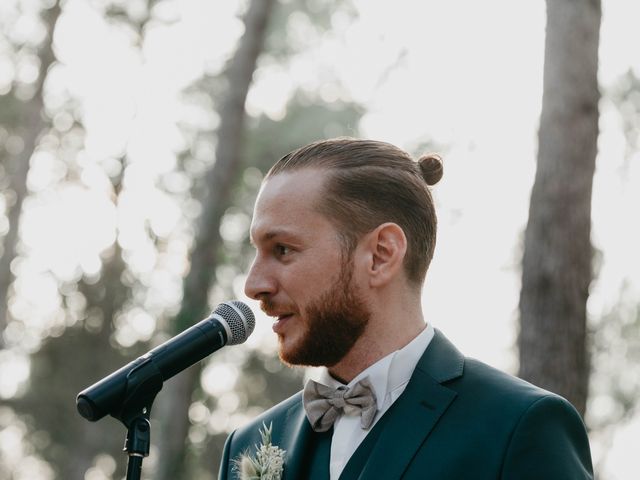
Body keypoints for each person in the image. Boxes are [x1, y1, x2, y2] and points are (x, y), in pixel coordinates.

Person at [218, 138, 593, 480]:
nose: (254, 285)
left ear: (381, 255)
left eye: (282, 249)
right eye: (257, 252)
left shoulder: (519, 426)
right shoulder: (246, 445)